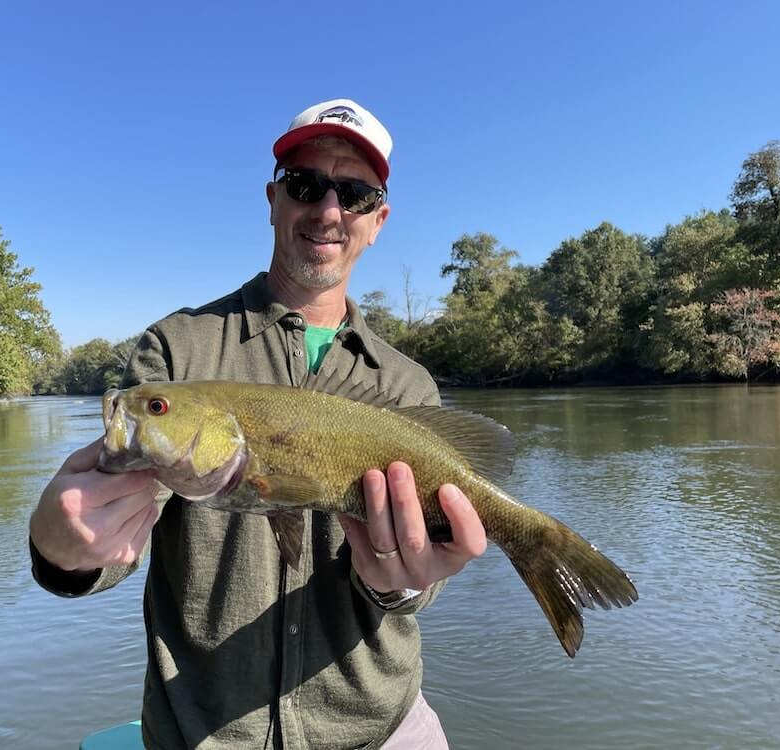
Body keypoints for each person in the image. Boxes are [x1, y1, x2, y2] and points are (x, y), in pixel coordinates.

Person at [29, 98, 487, 750]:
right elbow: (115, 532)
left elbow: (418, 589)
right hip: (206, 733)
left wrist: (403, 586)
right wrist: (60, 549)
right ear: (273, 198)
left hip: (377, 728)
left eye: (354, 194)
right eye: (306, 185)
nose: (328, 210)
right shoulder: (175, 354)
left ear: (377, 220)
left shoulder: (407, 386)